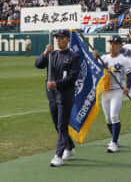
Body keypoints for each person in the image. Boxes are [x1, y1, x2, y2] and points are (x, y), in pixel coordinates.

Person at [35, 30, 80, 167]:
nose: (59, 40)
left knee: (61, 124)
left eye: (61, 38)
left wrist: (56, 84)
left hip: (65, 94)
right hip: (52, 95)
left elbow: (72, 78)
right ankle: (69, 146)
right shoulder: (52, 55)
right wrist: (44, 53)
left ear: (67, 39)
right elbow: (38, 65)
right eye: (57, 38)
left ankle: (58, 155)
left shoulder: (73, 57)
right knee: (57, 124)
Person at [93, 35, 131, 153]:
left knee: (114, 116)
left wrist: (128, 87)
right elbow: (95, 69)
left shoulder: (124, 60)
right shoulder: (104, 58)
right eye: (111, 43)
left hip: (117, 90)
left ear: (120, 46)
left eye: (115, 44)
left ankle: (114, 143)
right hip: (105, 91)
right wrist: (95, 58)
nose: (112, 46)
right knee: (108, 119)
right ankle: (114, 137)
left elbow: (130, 74)